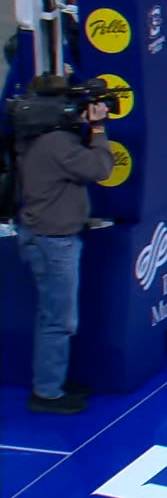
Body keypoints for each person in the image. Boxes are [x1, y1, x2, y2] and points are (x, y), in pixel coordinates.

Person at [14, 76, 114, 414]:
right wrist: (98, 130)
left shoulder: (36, 137)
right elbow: (101, 167)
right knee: (59, 320)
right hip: (52, 242)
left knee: (54, 317)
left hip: (45, 236)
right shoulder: (56, 142)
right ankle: (47, 392)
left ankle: (52, 379)